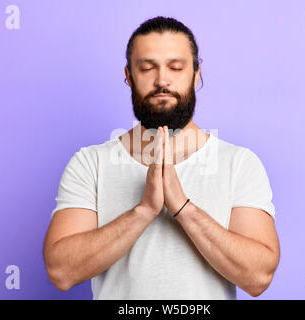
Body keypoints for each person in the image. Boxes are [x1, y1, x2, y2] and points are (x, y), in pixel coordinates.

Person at [43, 16, 280, 300]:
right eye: (147, 68)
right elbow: (61, 271)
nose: (162, 80)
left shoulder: (239, 163)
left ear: (196, 74)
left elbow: (258, 278)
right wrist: (143, 211)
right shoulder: (90, 163)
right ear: (129, 76)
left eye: (176, 67)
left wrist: (183, 208)